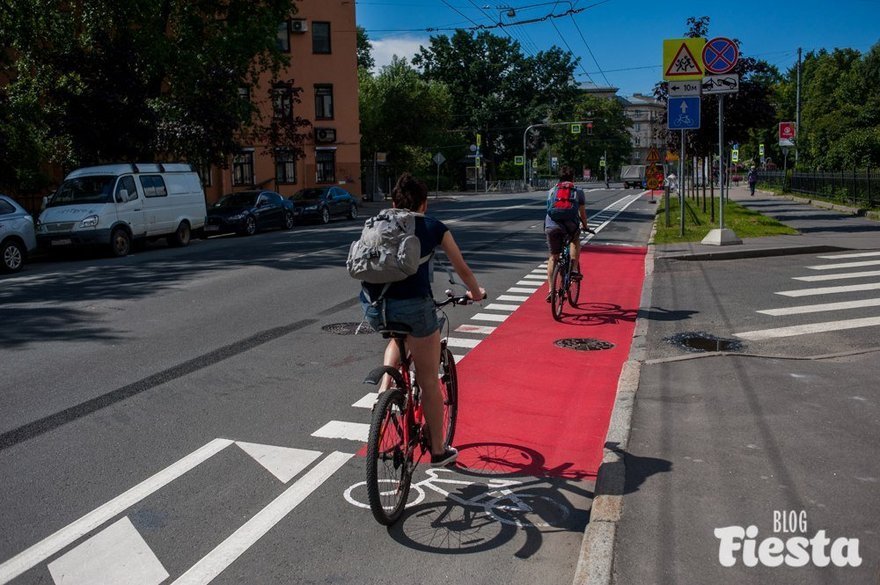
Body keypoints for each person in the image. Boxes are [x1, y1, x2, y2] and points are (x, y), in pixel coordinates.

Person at [360, 172, 485, 467]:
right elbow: (462, 268)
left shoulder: (377, 224)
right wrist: (476, 292)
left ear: (393, 202)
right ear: (424, 204)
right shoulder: (432, 227)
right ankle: (439, 451)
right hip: (415, 309)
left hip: (376, 308)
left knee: (396, 338)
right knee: (428, 379)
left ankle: (384, 393)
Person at [545, 165, 588, 302]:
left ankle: (551, 290)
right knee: (575, 240)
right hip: (570, 225)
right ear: (572, 178)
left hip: (552, 225)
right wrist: (585, 226)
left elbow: (549, 210)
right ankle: (574, 269)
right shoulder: (578, 191)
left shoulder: (552, 190)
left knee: (553, 257)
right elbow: (582, 213)